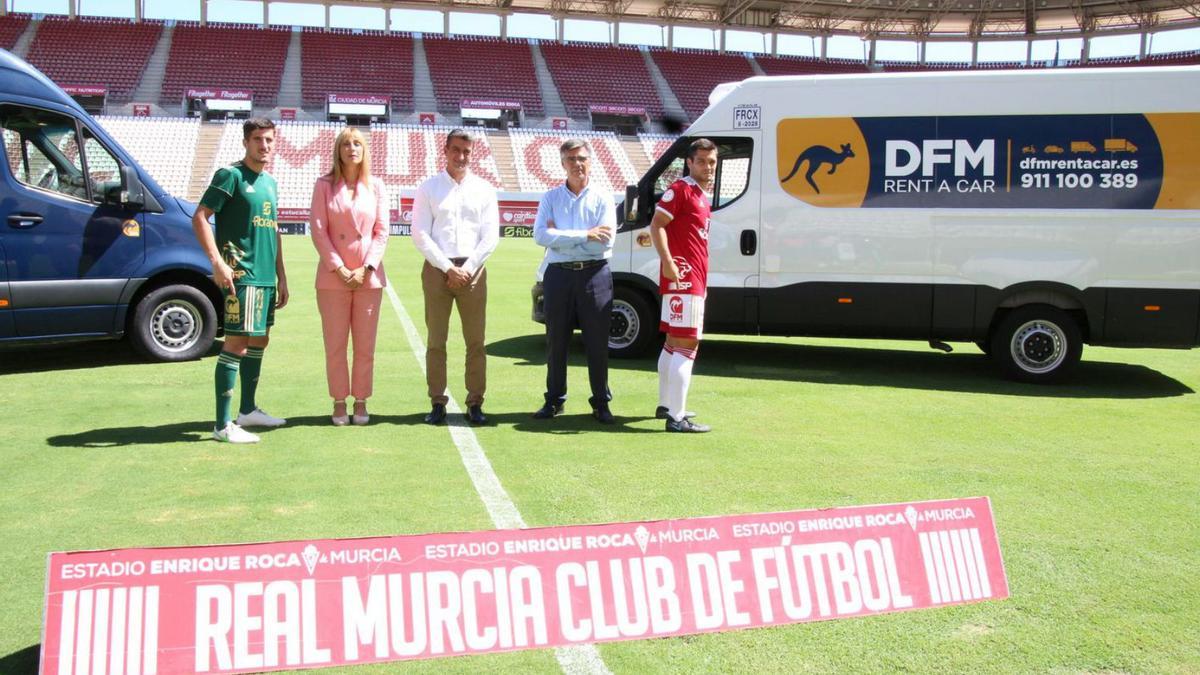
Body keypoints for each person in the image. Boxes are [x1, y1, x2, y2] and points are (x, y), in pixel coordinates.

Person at [191, 118, 289, 444]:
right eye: (258, 139)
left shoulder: (270, 182)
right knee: (237, 344)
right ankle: (222, 425)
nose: (264, 145)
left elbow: (273, 231)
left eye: (270, 140)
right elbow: (201, 216)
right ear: (246, 142)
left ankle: (248, 410)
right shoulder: (230, 176)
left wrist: (282, 277)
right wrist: (217, 262)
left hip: (265, 278)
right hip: (240, 276)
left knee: (260, 341)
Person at [411, 129, 498, 425]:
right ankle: (437, 402)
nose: (461, 156)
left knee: (476, 341)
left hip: (473, 272)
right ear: (445, 150)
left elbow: (490, 237)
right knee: (436, 340)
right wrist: (448, 268)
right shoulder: (429, 188)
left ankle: (475, 402)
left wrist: (468, 268)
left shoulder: (484, 189)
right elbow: (420, 234)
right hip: (438, 271)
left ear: (473, 154)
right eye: (456, 150)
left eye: (467, 151)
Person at [309, 126, 389, 426]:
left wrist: (366, 267)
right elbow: (319, 230)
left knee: (365, 345)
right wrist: (340, 268)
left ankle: (361, 400)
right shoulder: (324, 185)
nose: (352, 149)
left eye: (357, 144)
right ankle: (339, 401)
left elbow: (382, 231)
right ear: (338, 150)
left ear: (364, 150)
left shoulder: (377, 186)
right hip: (333, 279)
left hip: (368, 278)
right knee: (336, 344)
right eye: (346, 144)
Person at [531, 139, 616, 424]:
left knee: (597, 342)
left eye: (581, 158)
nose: (577, 164)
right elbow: (541, 237)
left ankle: (601, 402)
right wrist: (584, 235)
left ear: (590, 161)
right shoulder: (550, 198)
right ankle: (554, 399)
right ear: (563, 163)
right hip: (559, 277)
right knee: (556, 340)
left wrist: (561, 238)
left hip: (595, 274)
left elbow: (604, 243)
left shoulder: (603, 197)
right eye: (571, 159)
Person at [652, 138, 718, 433]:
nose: (707, 167)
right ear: (689, 163)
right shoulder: (680, 190)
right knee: (688, 343)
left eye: (712, 162)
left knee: (672, 342)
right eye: (701, 161)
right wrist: (667, 262)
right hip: (684, 278)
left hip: (687, 278)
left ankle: (666, 404)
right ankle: (677, 418)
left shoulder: (700, 194)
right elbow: (656, 225)